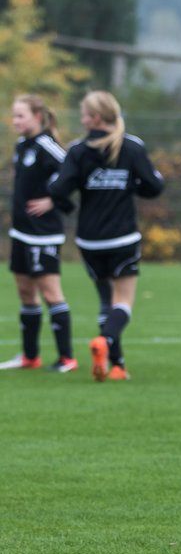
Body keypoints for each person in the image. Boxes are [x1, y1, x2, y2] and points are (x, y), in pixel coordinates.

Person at [50, 91, 165, 382]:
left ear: (96, 118)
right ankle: (105, 340)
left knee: (105, 300)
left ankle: (117, 365)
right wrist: (130, 186)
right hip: (122, 238)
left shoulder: (77, 150)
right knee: (123, 302)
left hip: (90, 240)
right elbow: (154, 186)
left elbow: (58, 189)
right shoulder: (132, 147)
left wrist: (69, 205)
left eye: (85, 114)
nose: (82, 119)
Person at [1, 94, 78, 372]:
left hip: (43, 234)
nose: (15, 121)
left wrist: (53, 200)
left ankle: (67, 358)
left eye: (21, 115)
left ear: (37, 116)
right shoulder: (22, 145)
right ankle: (30, 357)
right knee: (25, 291)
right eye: (14, 115)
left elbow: (74, 171)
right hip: (21, 232)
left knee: (50, 292)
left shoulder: (47, 145)